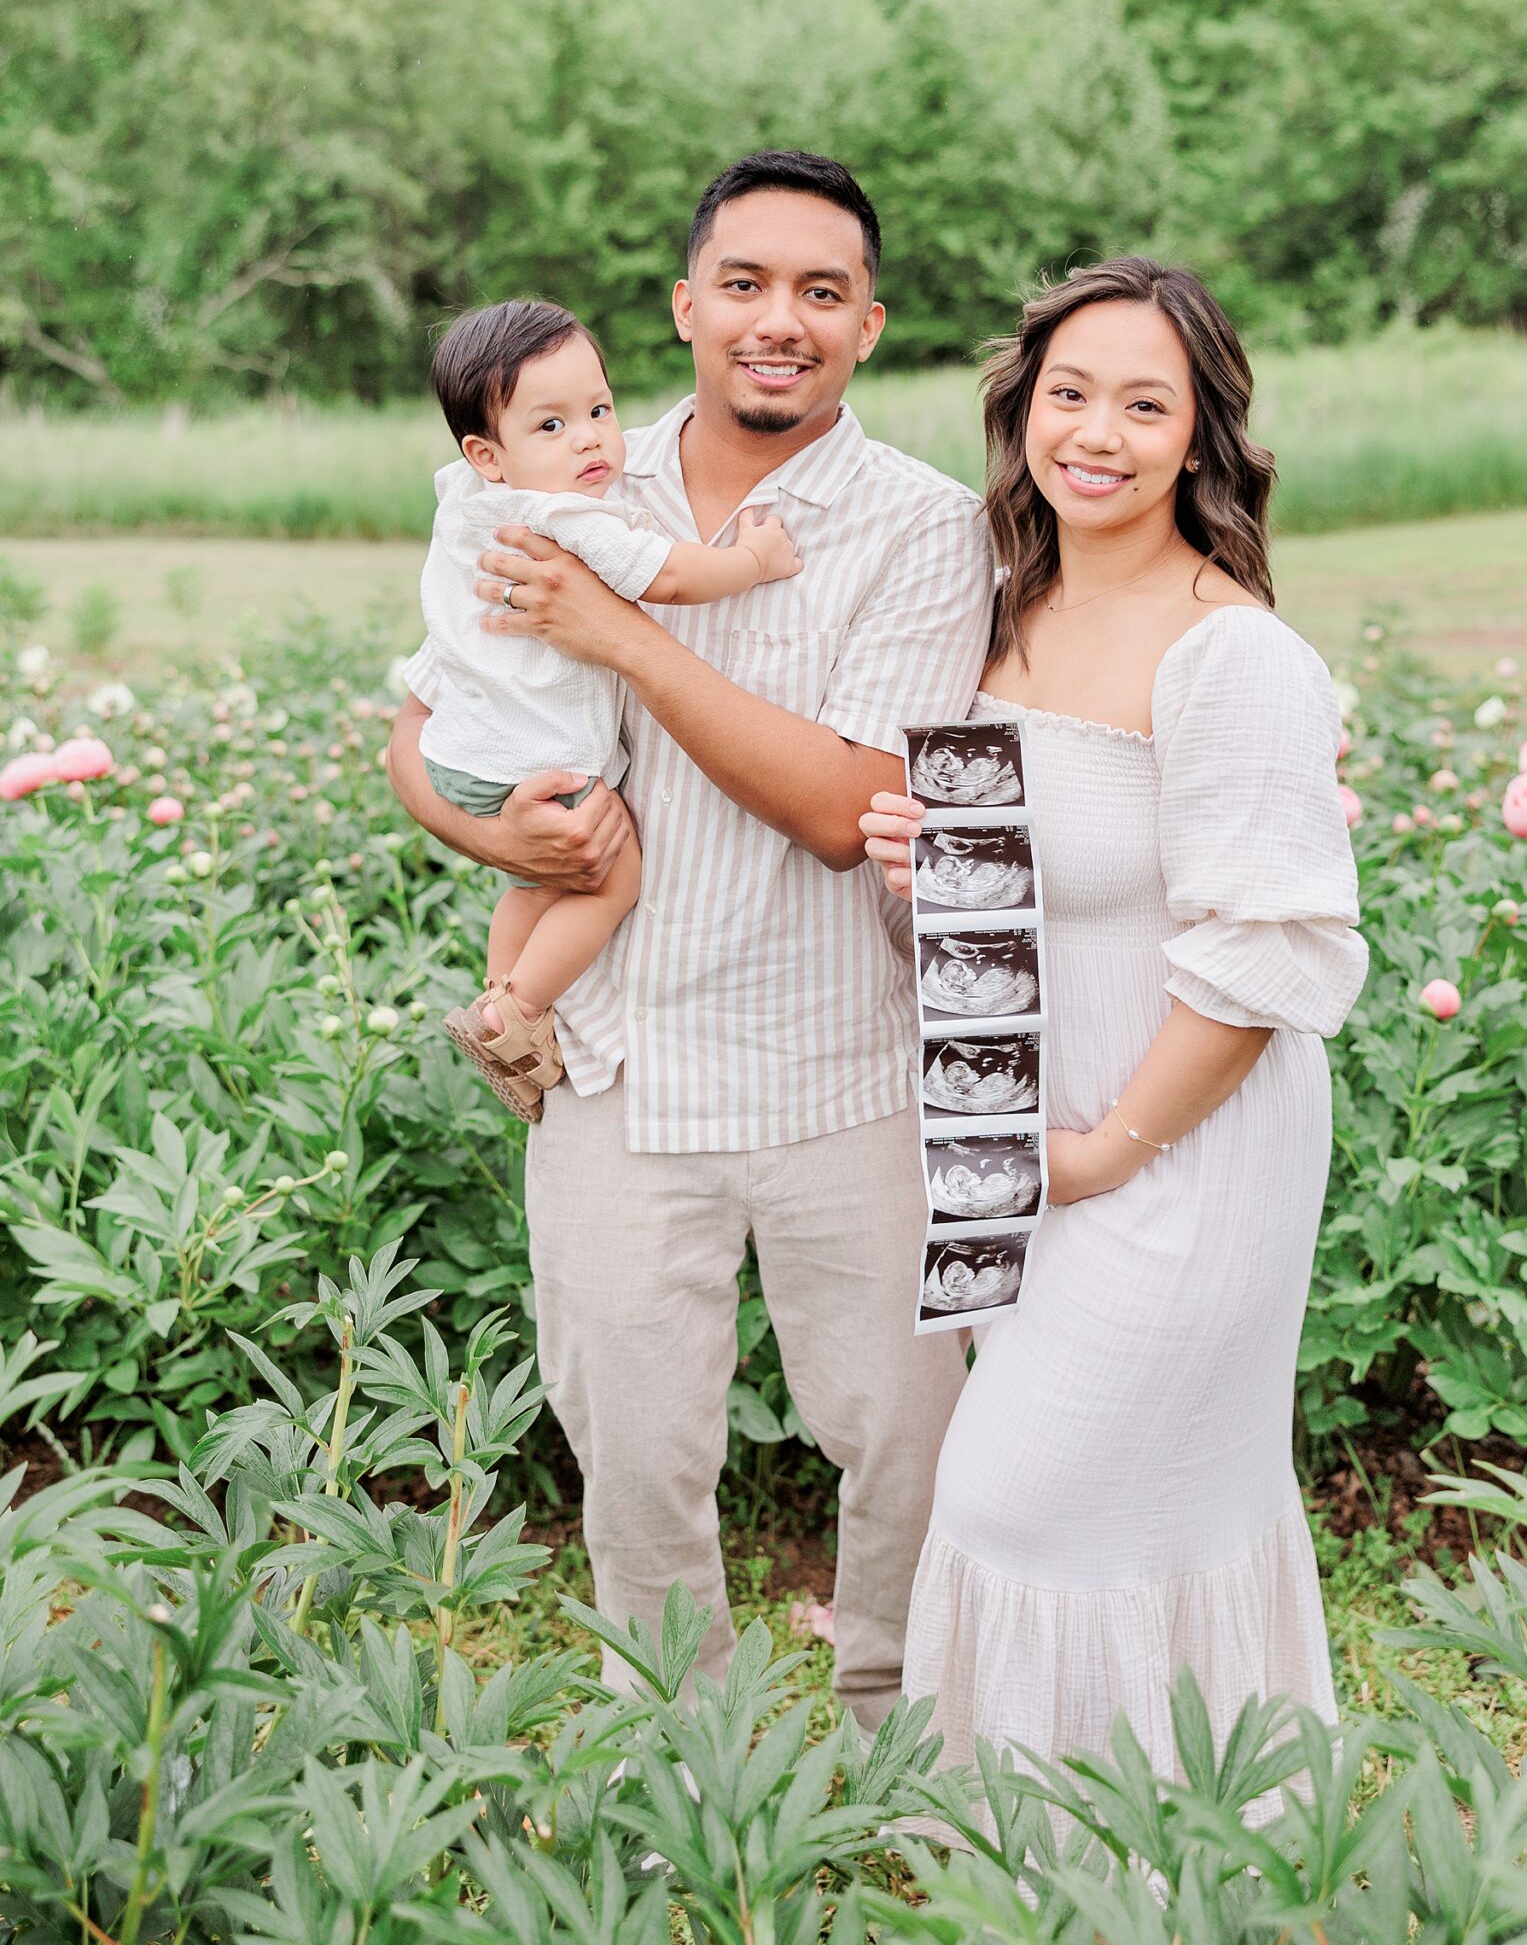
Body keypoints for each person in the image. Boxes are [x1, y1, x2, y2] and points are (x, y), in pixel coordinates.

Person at [387, 151, 993, 1727]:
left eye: (816, 292)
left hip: (842, 1061)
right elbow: (419, 718)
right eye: (742, 284)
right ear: (684, 307)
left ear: (867, 322)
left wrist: (620, 639)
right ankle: (683, 1750)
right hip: (618, 1066)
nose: (775, 319)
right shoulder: (568, 472)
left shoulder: (926, 530)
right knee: (638, 1453)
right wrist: (486, 829)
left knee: (903, 1438)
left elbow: (846, 800)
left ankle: (895, 1727)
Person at [861, 256, 1366, 1778]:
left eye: (1145, 403)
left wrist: (1101, 1154)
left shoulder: (1229, 655)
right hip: (1034, 1143)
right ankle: (1068, 1871)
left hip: (1178, 1147)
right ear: (1021, 410)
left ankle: (1128, 1855)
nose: (1097, 431)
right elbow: (1024, 911)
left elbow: (1262, 956)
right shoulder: (998, 613)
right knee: (1125, 1505)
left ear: (1200, 437)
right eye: (1068, 393)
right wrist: (920, 869)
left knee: (1016, 1497)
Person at [413, 299, 800, 1117]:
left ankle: (502, 990)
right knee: (609, 877)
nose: (590, 438)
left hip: (463, 750)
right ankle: (515, 1016)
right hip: (537, 756)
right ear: (489, 454)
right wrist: (756, 560)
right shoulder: (561, 515)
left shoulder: (463, 502)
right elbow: (671, 577)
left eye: (598, 409)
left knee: (533, 882)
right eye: (550, 427)